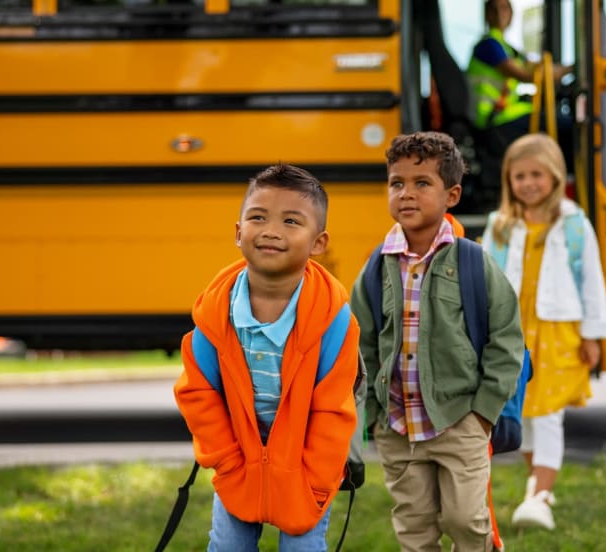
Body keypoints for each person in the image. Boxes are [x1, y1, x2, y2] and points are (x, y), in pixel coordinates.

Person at [349, 131, 526, 551]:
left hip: (459, 418)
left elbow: (506, 340)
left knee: (465, 519)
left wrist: (483, 413)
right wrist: (372, 415)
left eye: (421, 183)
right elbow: (362, 346)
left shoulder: (472, 261)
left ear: (452, 194)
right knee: (414, 526)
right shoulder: (377, 266)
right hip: (397, 424)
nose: (406, 194)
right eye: (397, 183)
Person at [174, 163, 360, 550]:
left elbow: (333, 408)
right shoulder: (216, 315)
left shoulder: (333, 321)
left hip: (305, 465)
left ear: (319, 243)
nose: (272, 230)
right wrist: (226, 461)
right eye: (258, 217)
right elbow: (198, 393)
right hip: (239, 459)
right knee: (227, 546)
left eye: (292, 221)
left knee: (302, 547)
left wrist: (316, 477)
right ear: (239, 232)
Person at [480, 133, 606, 531]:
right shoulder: (499, 226)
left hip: (558, 332)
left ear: (555, 176)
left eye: (537, 174)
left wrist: (592, 335)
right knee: (526, 415)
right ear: (509, 180)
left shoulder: (573, 225)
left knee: (550, 415)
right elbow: (485, 279)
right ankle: (539, 488)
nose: (529, 183)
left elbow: (591, 280)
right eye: (519, 176)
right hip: (513, 335)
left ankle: (537, 497)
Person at [467, 0, 573, 166]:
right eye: (494, 9)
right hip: (495, 119)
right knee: (569, 128)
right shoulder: (488, 46)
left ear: (512, 14)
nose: (500, 13)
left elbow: (539, 67)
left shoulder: (508, 49)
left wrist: (572, 68)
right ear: (487, 14)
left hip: (506, 114)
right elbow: (525, 74)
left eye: (505, 8)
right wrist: (566, 71)